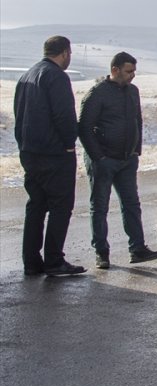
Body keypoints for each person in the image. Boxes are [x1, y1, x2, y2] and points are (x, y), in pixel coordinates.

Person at [78, 51, 157, 269]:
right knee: (100, 207)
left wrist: (136, 151)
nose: (133, 75)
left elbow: (137, 121)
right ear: (115, 70)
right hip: (103, 161)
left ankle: (138, 249)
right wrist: (99, 157)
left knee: (132, 204)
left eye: (134, 71)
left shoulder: (133, 91)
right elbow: (84, 127)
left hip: (127, 160)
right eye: (128, 71)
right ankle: (101, 252)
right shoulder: (97, 93)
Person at [13, 35, 86, 276]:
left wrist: (23, 144)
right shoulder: (57, 76)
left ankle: (31, 262)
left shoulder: (27, 75)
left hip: (30, 152)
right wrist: (69, 143)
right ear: (65, 53)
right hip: (55, 154)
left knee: (36, 206)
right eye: (69, 54)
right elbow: (63, 115)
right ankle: (54, 261)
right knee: (60, 207)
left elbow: (18, 114)